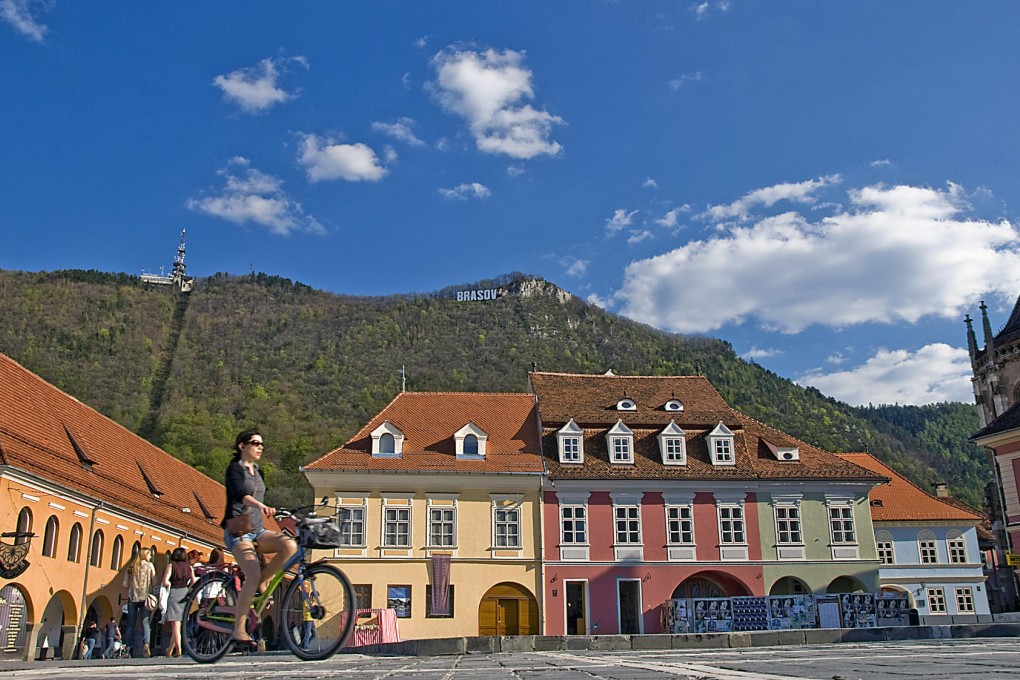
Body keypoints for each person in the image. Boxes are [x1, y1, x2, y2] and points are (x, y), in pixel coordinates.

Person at [222, 429, 296, 648]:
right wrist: (261, 506)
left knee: (289, 545)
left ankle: (265, 580)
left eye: (262, 444)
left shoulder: (259, 472)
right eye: (255, 443)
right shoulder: (234, 469)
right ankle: (239, 629)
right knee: (251, 575)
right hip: (238, 531)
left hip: (258, 530)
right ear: (242, 446)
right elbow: (239, 494)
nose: (260, 447)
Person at [161, 546, 197, 657]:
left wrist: (168, 585)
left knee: (175, 624)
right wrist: (188, 588)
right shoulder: (189, 567)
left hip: (174, 593)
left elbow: (165, 581)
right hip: (185, 594)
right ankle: (169, 650)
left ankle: (179, 649)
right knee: (177, 624)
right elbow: (194, 581)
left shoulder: (171, 566)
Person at [122, 546, 156, 657]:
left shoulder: (132, 566)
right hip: (145, 597)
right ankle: (146, 644)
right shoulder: (150, 566)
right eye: (149, 554)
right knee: (145, 622)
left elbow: (125, 584)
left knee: (130, 624)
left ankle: (127, 649)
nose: (150, 556)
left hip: (133, 597)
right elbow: (155, 581)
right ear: (145, 555)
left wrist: (133, 585)